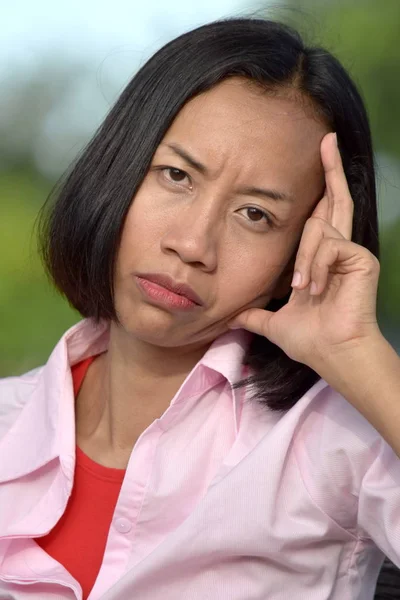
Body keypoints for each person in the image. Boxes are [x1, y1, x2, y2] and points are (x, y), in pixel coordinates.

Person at [0, 16, 399, 600]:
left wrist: (356, 353)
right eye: (177, 175)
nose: (192, 245)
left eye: (255, 214)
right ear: (118, 167)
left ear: (300, 252)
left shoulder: (334, 443)